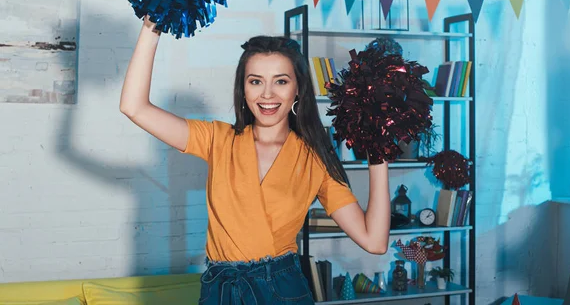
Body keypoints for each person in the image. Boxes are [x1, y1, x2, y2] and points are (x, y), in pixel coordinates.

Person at [119, 16, 391, 304]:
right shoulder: (217, 138)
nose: (267, 94)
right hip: (220, 289)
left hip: (282, 289)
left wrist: (379, 152)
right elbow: (133, 107)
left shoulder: (315, 159)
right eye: (256, 81)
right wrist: (153, 23)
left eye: (281, 81)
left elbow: (374, 241)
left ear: (298, 89)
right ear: (244, 89)